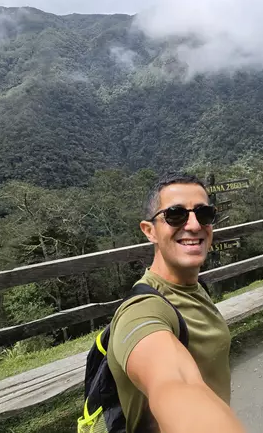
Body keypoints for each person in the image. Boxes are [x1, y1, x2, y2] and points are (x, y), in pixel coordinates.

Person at [106, 172, 246, 433]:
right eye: (175, 214)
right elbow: (176, 382)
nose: (193, 225)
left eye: (204, 214)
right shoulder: (141, 311)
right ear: (150, 231)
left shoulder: (193, 287)